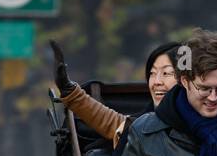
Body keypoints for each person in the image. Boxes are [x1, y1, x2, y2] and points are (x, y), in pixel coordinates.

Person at [52, 41, 181, 148]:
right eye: (152, 73)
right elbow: (113, 123)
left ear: (187, 80)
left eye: (166, 73)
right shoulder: (140, 127)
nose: (156, 82)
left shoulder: (198, 119)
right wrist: (70, 92)